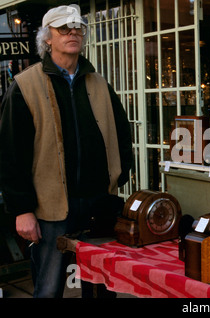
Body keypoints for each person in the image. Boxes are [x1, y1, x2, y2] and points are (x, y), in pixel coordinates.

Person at [0, 5, 133, 298]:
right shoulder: (25, 85)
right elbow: (10, 155)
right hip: (50, 210)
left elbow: (123, 134)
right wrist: (21, 209)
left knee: (101, 287)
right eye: (64, 28)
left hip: (99, 205)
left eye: (78, 28)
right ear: (47, 38)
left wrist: (117, 177)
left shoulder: (99, 83)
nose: (73, 32)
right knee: (48, 289)